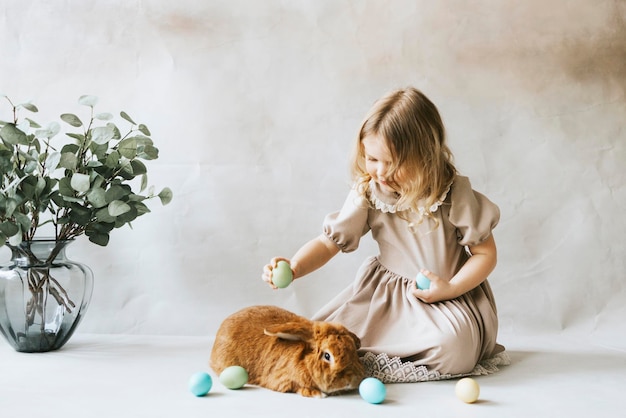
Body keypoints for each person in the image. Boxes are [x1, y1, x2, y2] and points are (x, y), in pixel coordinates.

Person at [262, 86, 504, 381]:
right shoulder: (369, 193)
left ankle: (392, 355)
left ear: (425, 155)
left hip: (445, 296)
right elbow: (328, 243)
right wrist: (295, 266)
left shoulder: (453, 194)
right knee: (327, 337)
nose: (380, 172)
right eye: (372, 159)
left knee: (455, 350)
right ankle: (358, 358)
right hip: (387, 298)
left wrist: (451, 288)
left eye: (393, 162)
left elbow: (485, 254)